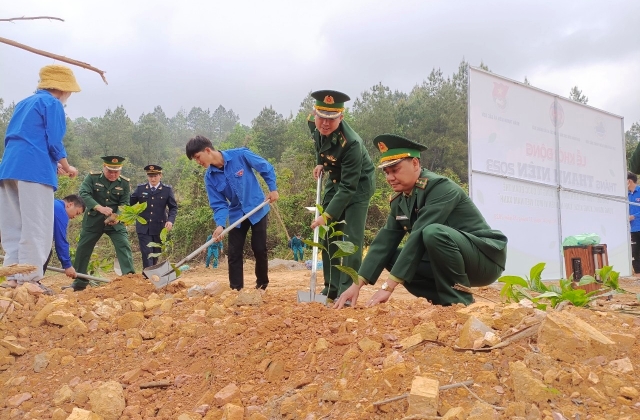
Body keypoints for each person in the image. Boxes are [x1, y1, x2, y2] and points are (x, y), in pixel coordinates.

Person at [334, 134, 508, 308]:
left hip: (484, 260)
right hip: (450, 261)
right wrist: (356, 284)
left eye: (395, 170)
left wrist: (388, 287)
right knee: (391, 256)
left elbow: (419, 234)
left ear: (415, 163)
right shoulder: (400, 200)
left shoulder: (440, 187)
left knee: (432, 232)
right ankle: (442, 302)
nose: (390, 178)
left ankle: (459, 302)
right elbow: (384, 242)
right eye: (386, 172)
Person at [0, 64, 80, 289]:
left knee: (13, 224)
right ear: (63, 89)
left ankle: (13, 277)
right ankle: (30, 280)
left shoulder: (24, 103)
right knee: (36, 225)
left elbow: (23, 137)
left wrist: (53, 163)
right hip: (35, 171)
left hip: (9, 168)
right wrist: (66, 165)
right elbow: (54, 140)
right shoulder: (52, 103)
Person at [185, 135, 279, 290]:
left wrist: (273, 189)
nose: (198, 162)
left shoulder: (241, 155)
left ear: (207, 150)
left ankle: (262, 285)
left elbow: (265, 167)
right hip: (236, 216)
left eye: (197, 157)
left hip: (257, 208)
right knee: (234, 253)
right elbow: (219, 204)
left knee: (259, 248)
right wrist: (220, 225)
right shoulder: (210, 178)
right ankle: (236, 289)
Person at [308, 90, 375, 300]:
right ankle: (331, 288)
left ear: (341, 117)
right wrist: (321, 163)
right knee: (328, 235)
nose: (325, 124)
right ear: (315, 114)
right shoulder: (315, 125)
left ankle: (346, 291)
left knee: (349, 239)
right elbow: (321, 145)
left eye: (332, 119)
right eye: (322, 117)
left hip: (357, 185)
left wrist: (326, 215)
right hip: (335, 179)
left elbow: (349, 187)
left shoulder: (352, 143)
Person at [68, 156, 135, 291]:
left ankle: (129, 279)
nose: (113, 174)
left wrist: (117, 217)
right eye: (110, 171)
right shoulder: (92, 178)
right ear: (104, 168)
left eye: (116, 172)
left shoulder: (124, 183)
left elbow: (125, 203)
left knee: (124, 245)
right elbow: (84, 193)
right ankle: (80, 282)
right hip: (93, 220)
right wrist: (99, 207)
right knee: (83, 248)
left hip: (114, 222)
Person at [130, 164, 178, 268]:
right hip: (143, 227)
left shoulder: (166, 190)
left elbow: (173, 207)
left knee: (156, 254)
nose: (153, 178)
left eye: (155, 176)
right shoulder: (140, 189)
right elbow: (129, 203)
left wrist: (170, 221)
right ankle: (148, 277)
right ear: (147, 176)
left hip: (159, 227)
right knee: (147, 253)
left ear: (160, 175)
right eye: (150, 176)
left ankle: (149, 276)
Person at [43, 195, 86, 280]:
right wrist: (67, 265)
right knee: (45, 251)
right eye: (77, 213)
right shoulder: (60, 211)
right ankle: (33, 282)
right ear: (70, 204)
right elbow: (60, 240)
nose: (74, 217)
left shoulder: (54, 203)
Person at [628, 172, 640, 276]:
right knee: (635, 251)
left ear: (629, 181)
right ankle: (638, 274)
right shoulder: (626, 195)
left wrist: (634, 216)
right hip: (633, 229)